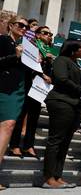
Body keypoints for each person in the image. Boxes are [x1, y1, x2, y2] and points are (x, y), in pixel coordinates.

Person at [42, 39, 81, 189]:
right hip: (61, 102)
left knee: (64, 143)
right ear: (72, 50)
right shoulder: (61, 60)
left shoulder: (75, 63)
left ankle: (57, 176)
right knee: (56, 140)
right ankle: (49, 177)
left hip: (73, 105)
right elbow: (61, 79)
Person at [9, 26, 54, 160]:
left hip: (40, 86)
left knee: (34, 117)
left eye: (50, 34)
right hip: (28, 82)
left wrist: (49, 74)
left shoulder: (49, 51)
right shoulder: (31, 45)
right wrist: (39, 72)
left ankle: (29, 145)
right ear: (38, 35)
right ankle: (14, 144)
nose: (49, 36)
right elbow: (26, 63)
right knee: (22, 114)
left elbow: (48, 69)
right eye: (45, 33)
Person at [0, 15, 28, 191]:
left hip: (17, 89)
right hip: (3, 86)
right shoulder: (2, 40)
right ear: (10, 26)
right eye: (20, 25)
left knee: (9, 125)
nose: (24, 28)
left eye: (26, 27)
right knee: (7, 125)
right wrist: (14, 56)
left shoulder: (25, 46)